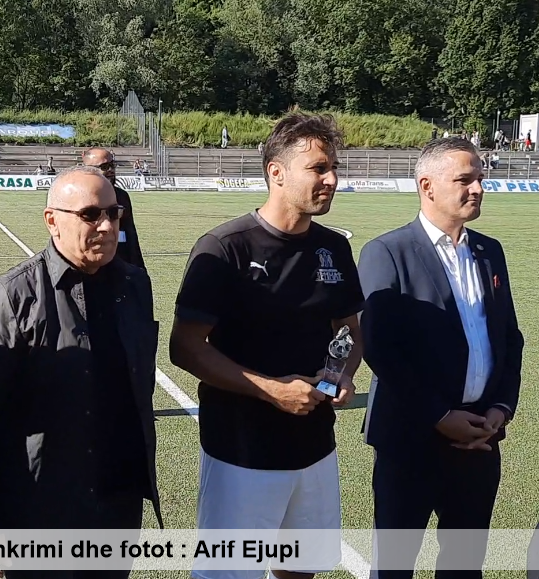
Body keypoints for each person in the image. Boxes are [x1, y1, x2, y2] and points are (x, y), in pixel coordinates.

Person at [169, 112, 363, 579]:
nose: (332, 179)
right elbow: (185, 347)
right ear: (277, 172)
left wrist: (343, 374)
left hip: (315, 447)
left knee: (300, 569)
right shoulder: (224, 248)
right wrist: (272, 390)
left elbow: (349, 328)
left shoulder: (334, 248)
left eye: (333, 168)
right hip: (242, 451)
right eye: (318, 168)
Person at [0, 165, 162, 578]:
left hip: (117, 506)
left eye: (113, 213)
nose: (106, 225)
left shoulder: (134, 285)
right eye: (90, 215)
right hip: (39, 512)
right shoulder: (10, 297)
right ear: (52, 221)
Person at [359, 137, 524, 579]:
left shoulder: (490, 251)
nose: (478, 188)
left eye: (480, 179)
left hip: (480, 438)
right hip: (410, 440)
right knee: (394, 567)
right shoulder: (387, 252)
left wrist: (501, 407)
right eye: (465, 180)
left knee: (465, 566)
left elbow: (510, 338)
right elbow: (380, 348)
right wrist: (439, 415)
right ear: (427, 186)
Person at [81, 148, 145, 270]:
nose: (111, 170)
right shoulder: (77, 198)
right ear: (89, 170)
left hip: (121, 267)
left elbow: (131, 237)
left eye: (112, 165)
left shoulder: (122, 196)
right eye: (104, 167)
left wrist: (140, 270)